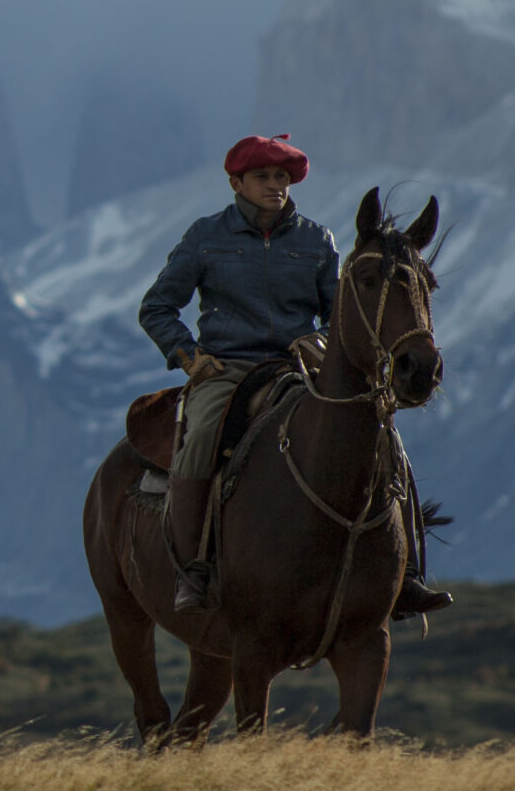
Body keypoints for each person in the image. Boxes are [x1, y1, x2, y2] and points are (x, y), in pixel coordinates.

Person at [138, 134, 450, 616]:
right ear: (236, 182)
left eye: (281, 177)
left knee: (385, 435)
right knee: (200, 435)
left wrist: (321, 341)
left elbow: (342, 313)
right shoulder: (205, 237)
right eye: (262, 176)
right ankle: (194, 571)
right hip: (227, 369)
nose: (274, 185)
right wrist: (190, 358)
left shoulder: (316, 240)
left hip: (300, 367)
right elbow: (157, 307)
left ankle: (407, 574)